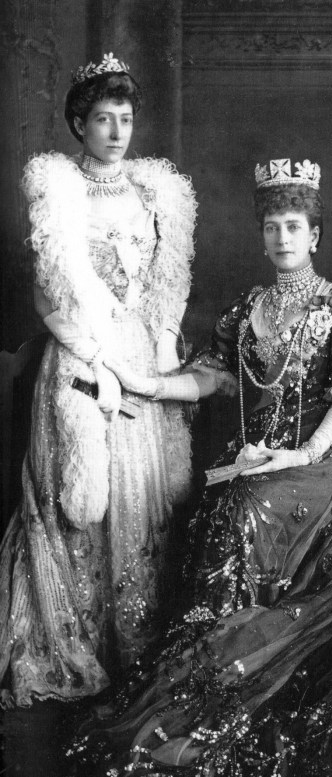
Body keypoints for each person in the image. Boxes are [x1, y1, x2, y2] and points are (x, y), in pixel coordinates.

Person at [69, 158, 332, 776]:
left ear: (315, 236)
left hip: (323, 459)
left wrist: (302, 454)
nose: (282, 238)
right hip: (257, 457)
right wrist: (149, 385)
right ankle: (215, 660)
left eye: (294, 227)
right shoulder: (247, 307)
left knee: (246, 506)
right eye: (272, 227)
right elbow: (211, 378)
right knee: (224, 506)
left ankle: (241, 651)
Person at [0, 54, 197, 707]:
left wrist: (162, 351)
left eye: (126, 118)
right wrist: (95, 355)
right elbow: (47, 295)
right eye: (103, 119)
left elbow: (167, 286)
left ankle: (140, 640)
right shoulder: (61, 190)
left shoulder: (152, 191)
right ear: (79, 122)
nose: (116, 131)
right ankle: (84, 635)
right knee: (85, 497)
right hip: (82, 352)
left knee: (149, 495)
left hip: (139, 354)